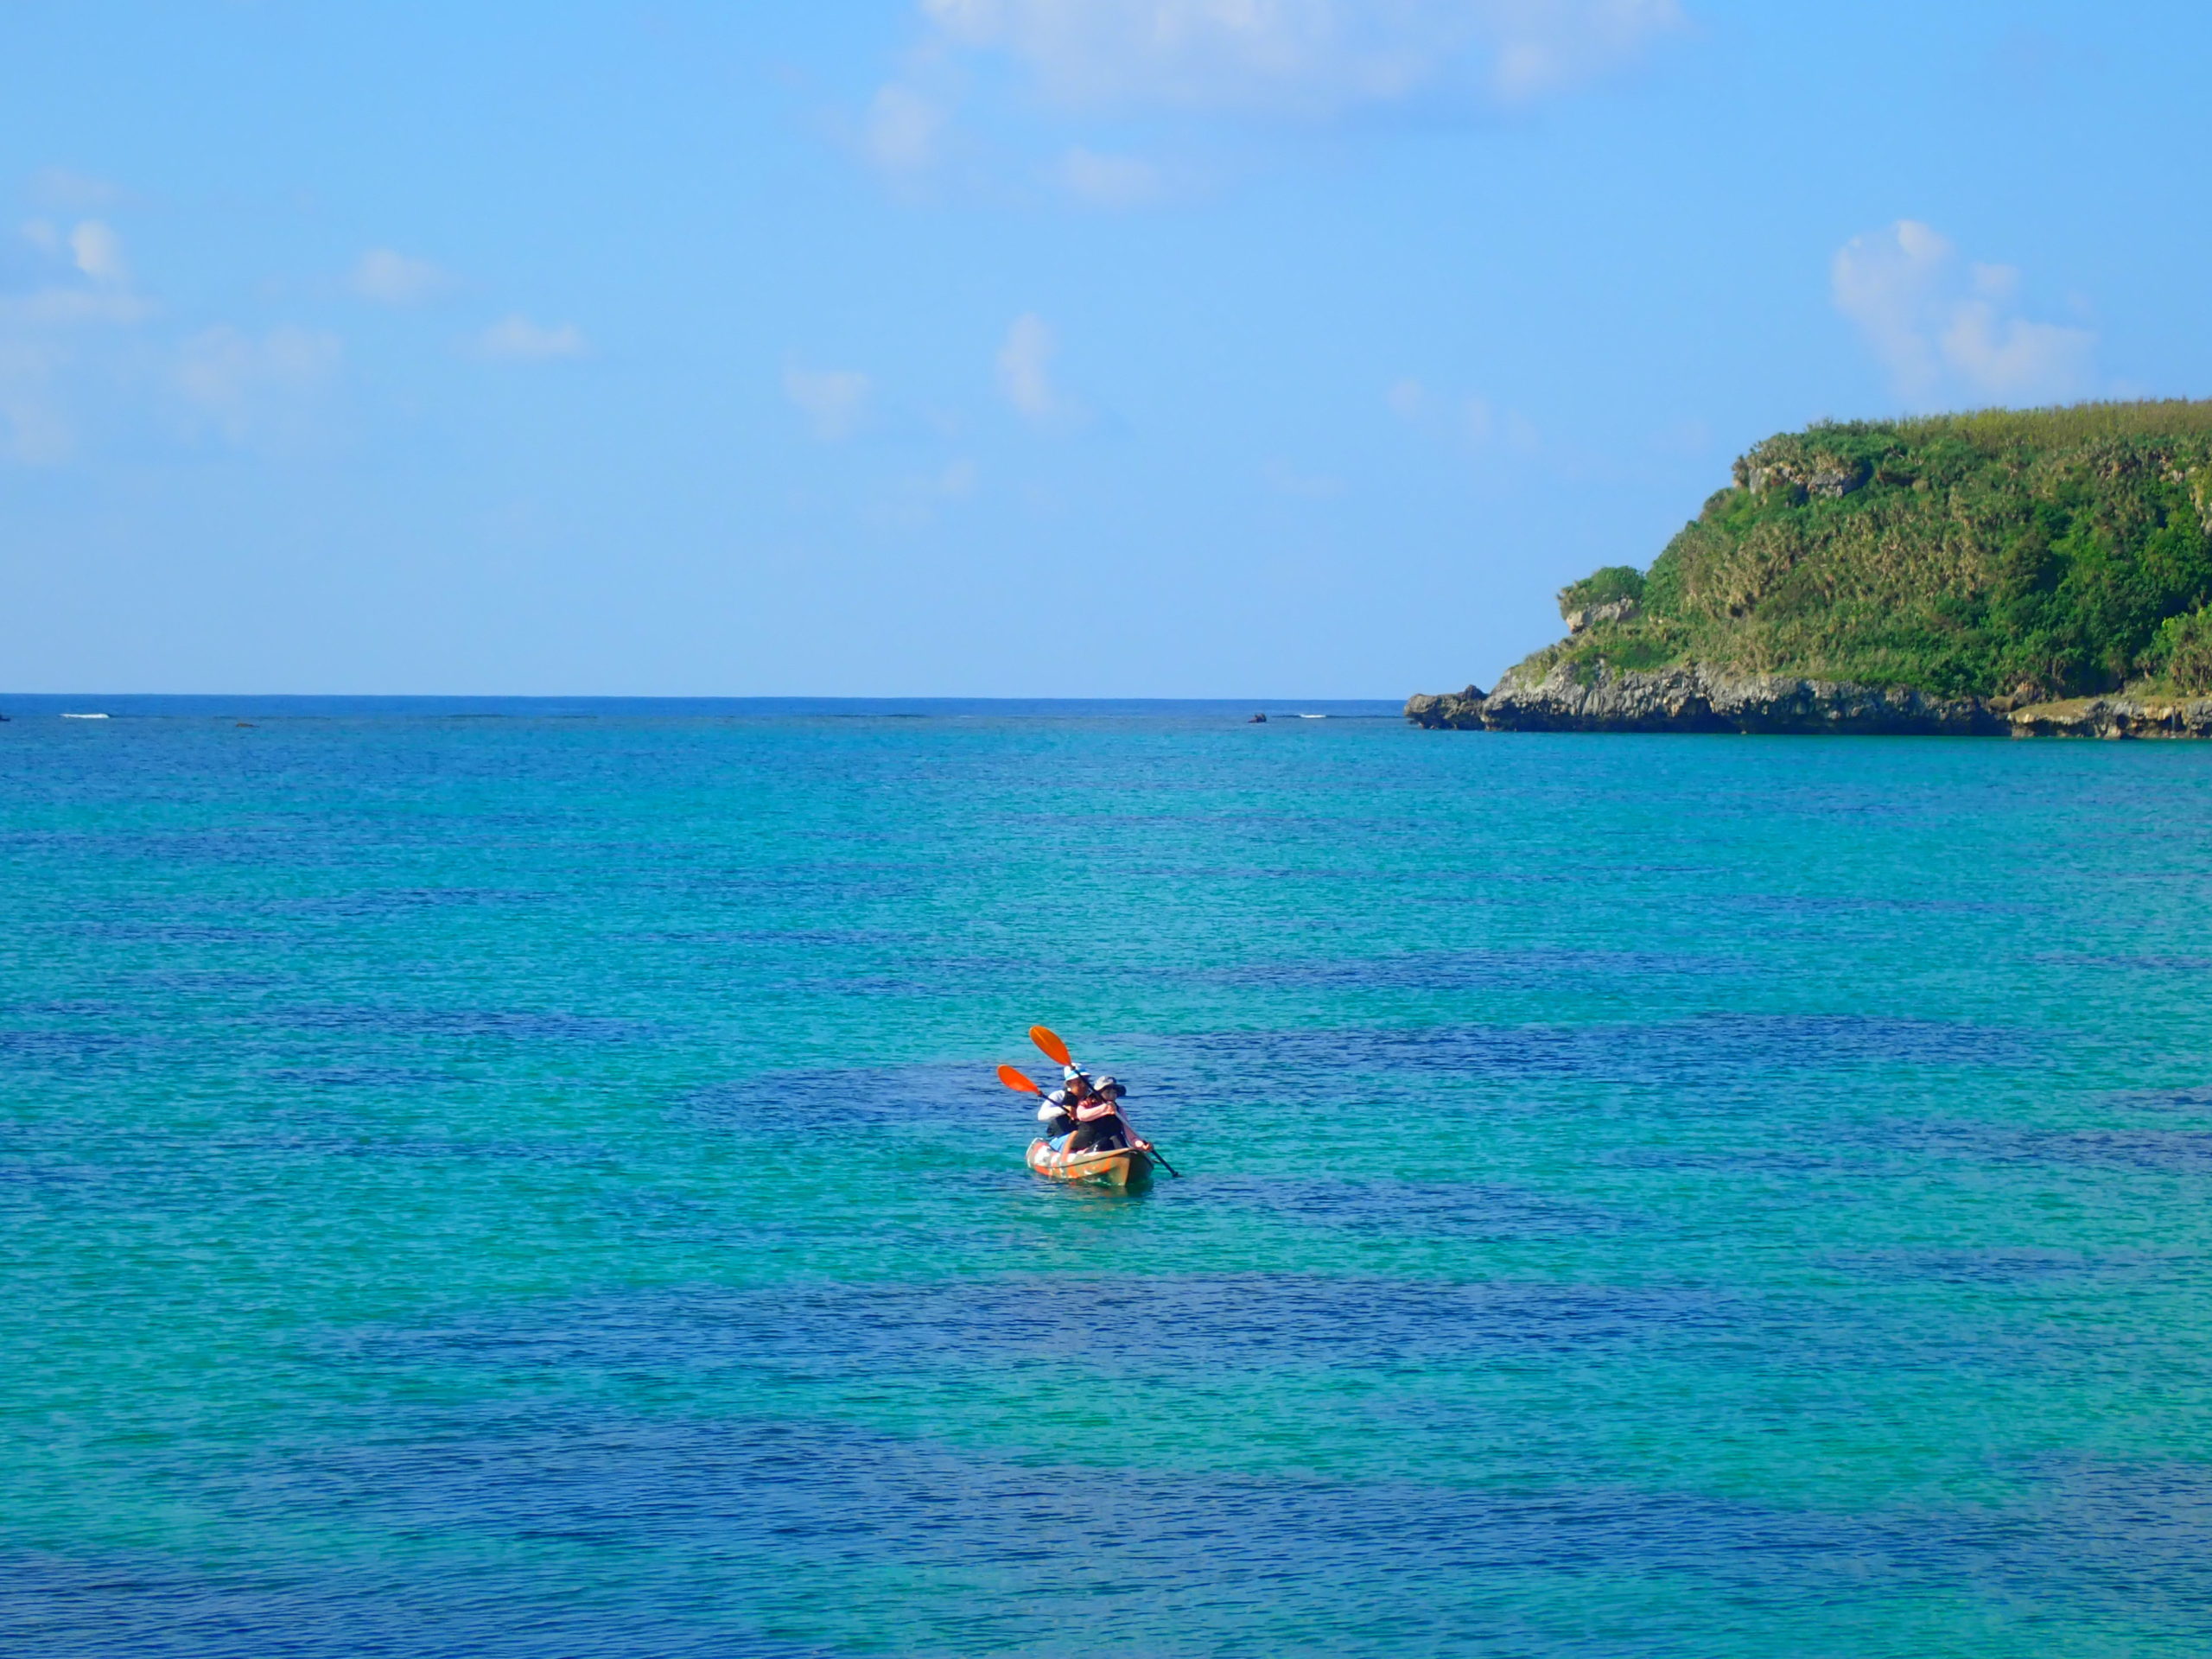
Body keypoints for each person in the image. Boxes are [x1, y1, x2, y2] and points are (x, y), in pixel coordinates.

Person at [1063, 1074, 1134, 1155]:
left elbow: (1130, 1134)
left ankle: (1125, 1156)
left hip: (1110, 1148)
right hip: (1088, 1147)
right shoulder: (1085, 1104)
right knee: (1104, 1142)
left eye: (1114, 1093)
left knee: (1117, 1138)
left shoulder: (1119, 1110)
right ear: (1098, 1093)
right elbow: (1082, 1115)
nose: (1112, 1096)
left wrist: (1141, 1145)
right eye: (1108, 1092)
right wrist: (1104, 1109)